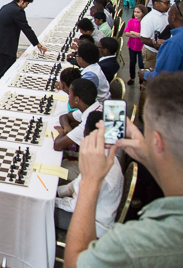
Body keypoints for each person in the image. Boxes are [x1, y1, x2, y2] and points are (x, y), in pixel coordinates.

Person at [64, 72, 183, 267]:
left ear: (157, 142)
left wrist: (89, 182)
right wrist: (148, 156)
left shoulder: (139, 243)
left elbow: (75, 263)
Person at [55, 110, 123, 236]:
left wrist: (53, 201)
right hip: (90, 211)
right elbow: (78, 181)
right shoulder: (103, 154)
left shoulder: (99, 167)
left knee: (38, 211)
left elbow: (76, 206)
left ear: (86, 133)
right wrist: (59, 191)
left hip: (94, 224)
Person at [0, 0, 47, 83]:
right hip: (6, 49)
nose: (26, 6)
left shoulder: (6, 6)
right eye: (26, 4)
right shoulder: (17, 11)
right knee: (5, 74)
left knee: (2, 72)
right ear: (21, 1)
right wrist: (38, 44)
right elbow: (26, 28)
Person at [54, 78, 103, 151]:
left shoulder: (89, 122)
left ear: (77, 100)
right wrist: (67, 126)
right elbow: (64, 116)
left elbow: (57, 145)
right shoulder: (92, 107)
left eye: (70, 94)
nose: (68, 97)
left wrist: (62, 132)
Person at [141, 1, 183, 81]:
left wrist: (145, 75)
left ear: (173, 17)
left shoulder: (173, 43)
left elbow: (163, 77)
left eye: (169, 14)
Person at [140, 0, 170, 70]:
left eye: (169, 3)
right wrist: (157, 44)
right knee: (151, 77)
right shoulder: (148, 19)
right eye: (166, 3)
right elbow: (144, 39)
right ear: (156, 3)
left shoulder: (166, 15)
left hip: (164, 50)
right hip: (152, 53)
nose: (169, 6)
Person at [124, 5, 147, 84]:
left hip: (141, 47)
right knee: (132, 62)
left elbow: (144, 36)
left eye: (138, 12)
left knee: (141, 64)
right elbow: (127, 33)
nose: (136, 14)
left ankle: (141, 78)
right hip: (131, 45)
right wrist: (139, 35)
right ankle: (132, 78)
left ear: (143, 13)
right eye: (135, 12)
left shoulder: (145, 22)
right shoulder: (131, 21)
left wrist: (133, 32)